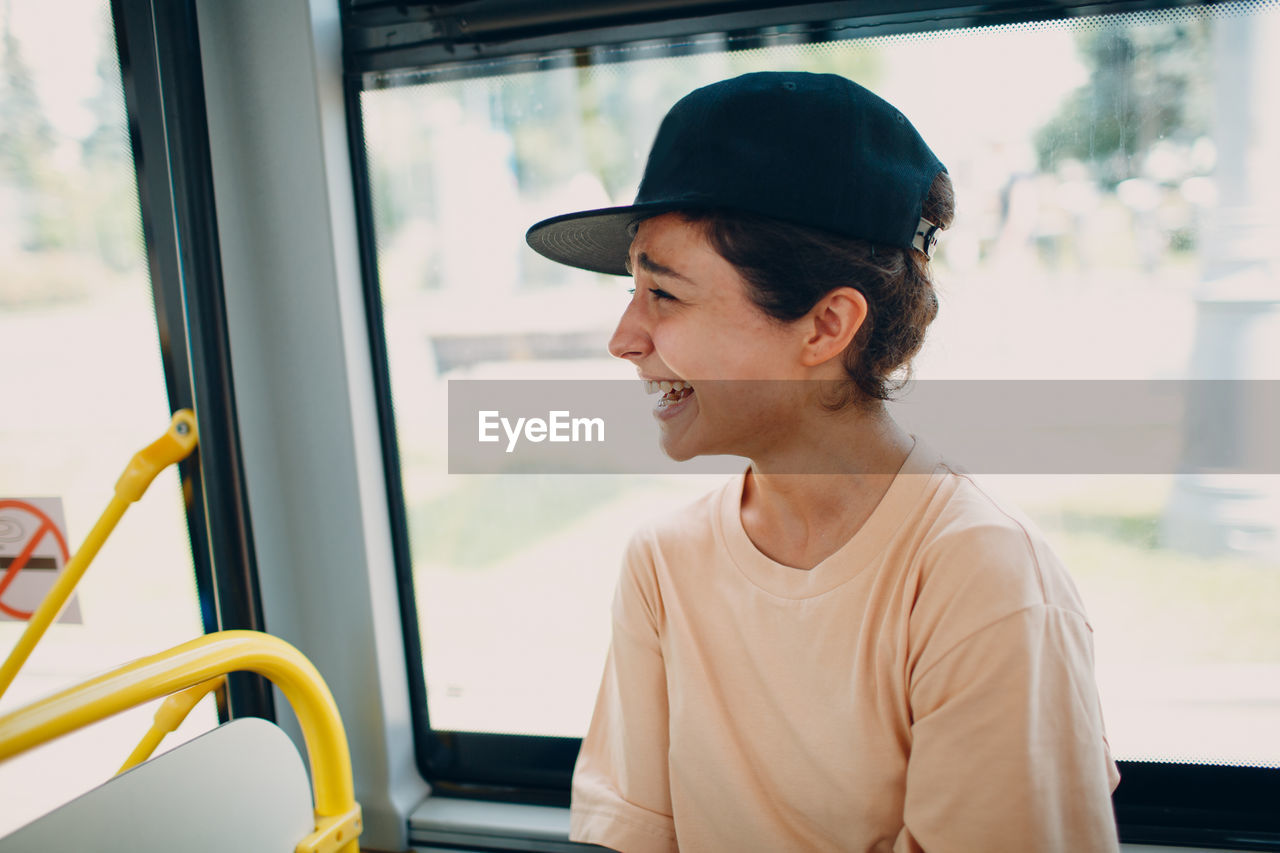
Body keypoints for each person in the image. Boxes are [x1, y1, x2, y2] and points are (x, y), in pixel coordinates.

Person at [526, 71, 1120, 852]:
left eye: (663, 294)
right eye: (633, 289)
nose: (624, 338)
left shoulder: (983, 580)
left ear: (825, 325)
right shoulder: (663, 565)